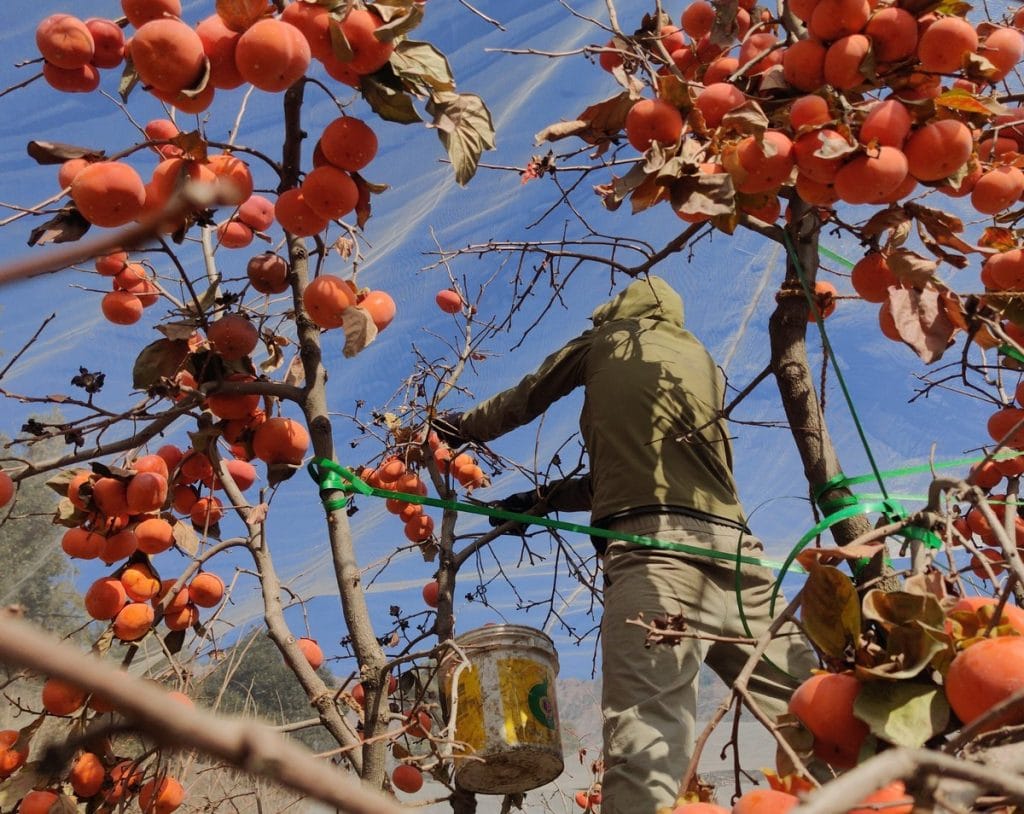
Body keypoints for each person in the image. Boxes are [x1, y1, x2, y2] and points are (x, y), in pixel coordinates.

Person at [439, 275, 817, 813]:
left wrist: (460, 428)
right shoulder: (702, 363)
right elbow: (641, 473)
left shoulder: (608, 341)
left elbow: (527, 396)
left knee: (648, 744)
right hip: (738, 558)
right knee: (810, 714)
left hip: (655, 556)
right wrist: (541, 499)